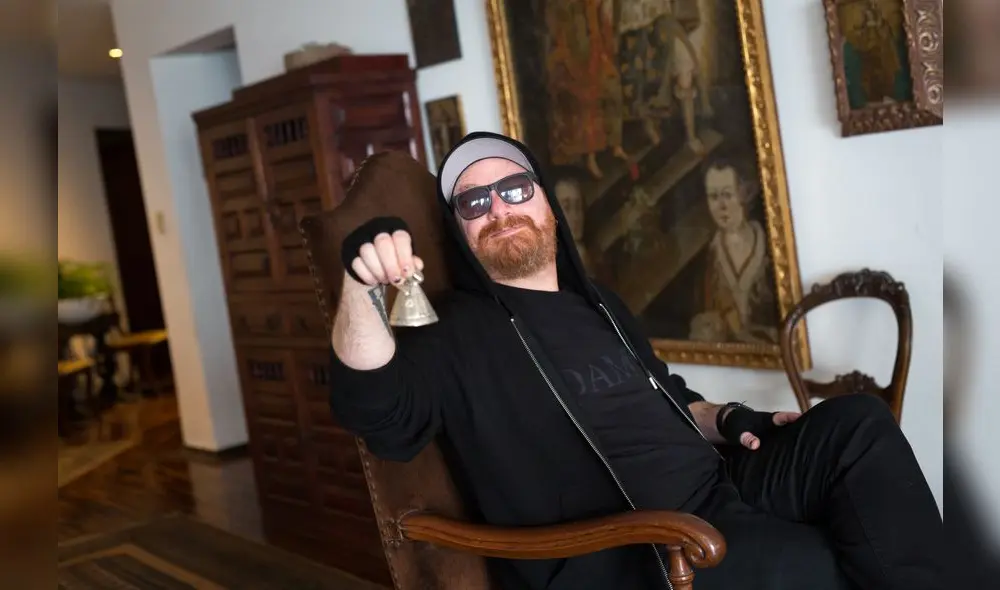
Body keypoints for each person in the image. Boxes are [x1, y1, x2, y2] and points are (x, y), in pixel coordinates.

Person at [328, 131, 944, 590]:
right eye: (473, 202)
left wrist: (728, 417)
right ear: (460, 230)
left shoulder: (600, 303)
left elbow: (668, 396)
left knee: (858, 425)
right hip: (640, 543)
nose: (498, 208)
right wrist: (360, 283)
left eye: (514, 188)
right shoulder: (456, 334)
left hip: (719, 482)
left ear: (547, 206)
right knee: (819, 560)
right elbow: (379, 412)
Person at [689, 158, 779, 345]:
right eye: (713, 197)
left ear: (745, 194)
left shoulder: (772, 247)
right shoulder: (706, 257)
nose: (721, 206)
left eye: (727, 195)